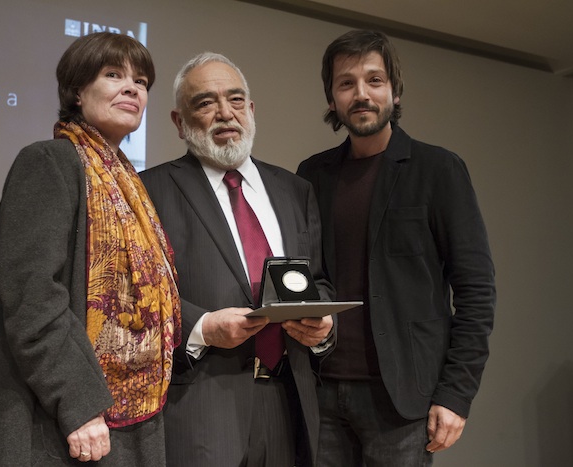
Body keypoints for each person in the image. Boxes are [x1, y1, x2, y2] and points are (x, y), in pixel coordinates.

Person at [0, 32, 181, 466]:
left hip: (132, 416)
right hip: (64, 418)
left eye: (141, 81)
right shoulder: (49, 162)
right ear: (76, 91)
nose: (133, 88)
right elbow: (32, 298)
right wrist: (79, 404)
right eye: (113, 75)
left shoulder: (131, 187)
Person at [296, 29, 496, 466]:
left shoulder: (438, 170)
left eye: (374, 80)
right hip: (322, 391)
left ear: (395, 91)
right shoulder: (312, 175)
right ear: (332, 99)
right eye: (346, 83)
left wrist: (457, 394)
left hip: (403, 401)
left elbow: (476, 291)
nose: (361, 94)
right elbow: (310, 276)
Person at [140, 52, 335, 467]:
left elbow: (317, 279)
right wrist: (201, 328)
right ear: (179, 122)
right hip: (200, 409)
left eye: (236, 99)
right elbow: (135, 300)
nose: (225, 113)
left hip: (291, 405)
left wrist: (324, 327)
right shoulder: (149, 192)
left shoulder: (294, 190)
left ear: (251, 109)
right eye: (206, 102)